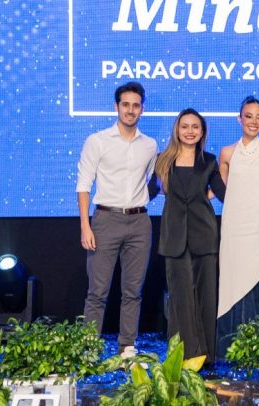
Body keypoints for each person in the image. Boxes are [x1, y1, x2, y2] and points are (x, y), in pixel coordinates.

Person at [76, 81, 157, 358]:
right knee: (97, 291)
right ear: (116, 107)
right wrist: (85, 225)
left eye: (136, 105)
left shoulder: (150, 145)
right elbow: (83, 185)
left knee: (133, 291)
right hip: (105, 220)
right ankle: (89, 349)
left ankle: (127, 347)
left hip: (139, 222)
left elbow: (151, 181)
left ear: (142, 109)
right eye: (126, 105)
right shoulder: (97, 141)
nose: (130, 110)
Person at [150, 108, 226, 362]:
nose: (190, 131)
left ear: (202, 132)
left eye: (195, 127)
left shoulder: (209, 161)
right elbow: (148, 192)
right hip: (173, 238)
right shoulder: (162, 160)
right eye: (185, 126)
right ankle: (183, 356)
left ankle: (206, 355)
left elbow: (224, 193)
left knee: (206, 296)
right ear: (177, 130)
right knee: (179, 297)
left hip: (204, 235)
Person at [216, 96, 259, 358]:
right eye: (248, 116)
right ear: (239, 119)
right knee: (235, 284)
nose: (253, 122)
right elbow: (219, 191)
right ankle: (235, 348)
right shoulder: (227, 153)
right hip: (235, 229)